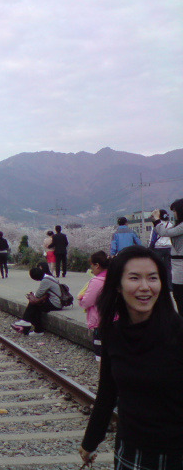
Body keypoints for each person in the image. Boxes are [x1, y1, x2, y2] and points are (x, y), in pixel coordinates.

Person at [79, 246, 183, 468]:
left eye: (153, 278)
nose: (145, 287)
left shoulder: (178, 332)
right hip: (131, 450)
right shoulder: (113, 333)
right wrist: (90, 441)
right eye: (134, 278)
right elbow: (107, 392)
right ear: (117, 285)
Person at [77, 251, 109, 362]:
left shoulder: (97, 281)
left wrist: (81, 299)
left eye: (92, 265)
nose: (91, 268)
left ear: (97, 265)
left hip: (100, 320)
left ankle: (103, 374)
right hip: (116, 318)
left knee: (100, 351)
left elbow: (87, 302)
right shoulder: (115, 277)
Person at [152, 199, 183, 314]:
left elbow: (165, 233)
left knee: (179, 294)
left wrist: (156, 220)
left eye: (174, 211)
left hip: (180, 264)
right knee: (178, 295)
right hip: (177, 263)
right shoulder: (178, 225)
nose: (173, 213)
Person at [11, 266, 63, 335]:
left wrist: (31, 295)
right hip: (56, 302)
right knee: (36, 308)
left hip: (56, 303)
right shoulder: (49, 277)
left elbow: (38, 294)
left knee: (33, 305)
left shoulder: (45, 281)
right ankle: (31, 328)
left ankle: (28, 324)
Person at [149, 209, 173, 290]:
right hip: (169, 248)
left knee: (157, 267)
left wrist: (150, 248)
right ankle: (169, 286)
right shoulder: (171, 224)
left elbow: (153, 238)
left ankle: (159, 285)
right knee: (168, 268)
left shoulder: (157, 225)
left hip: (158, 248)